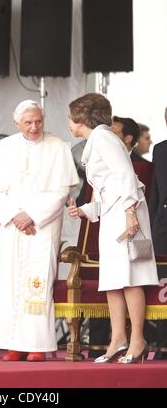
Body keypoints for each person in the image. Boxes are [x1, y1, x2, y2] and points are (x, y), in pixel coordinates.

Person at [0, 100, 78, 362]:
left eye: (38, 121)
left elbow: (62, 191)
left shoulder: (58, 147)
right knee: (11, 283)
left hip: (41, 227)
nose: (34, 127)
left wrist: (32, 215)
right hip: (13, 226)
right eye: (28, 123)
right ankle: (14, 343)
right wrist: (15, 215)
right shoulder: (6, 147)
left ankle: (37, 344)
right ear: (17, 123)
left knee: (38, 284)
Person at [68, 93, 158, 364]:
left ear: (82, 117)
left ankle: (138, 339)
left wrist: (130, 211)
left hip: (124, 214)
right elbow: (104, 188)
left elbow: (125, 175)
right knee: (113, 280)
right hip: (112, 213)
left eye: (71, 117)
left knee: (128, 277)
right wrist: (85, 209)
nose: (69, 124)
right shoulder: (96, 140)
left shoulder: (104, 138)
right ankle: (118, 338)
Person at [149, 107, 167, 359]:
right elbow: (155, 191)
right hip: (164, 226)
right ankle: (163, 343)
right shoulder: (160, 149)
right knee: (164, 284)